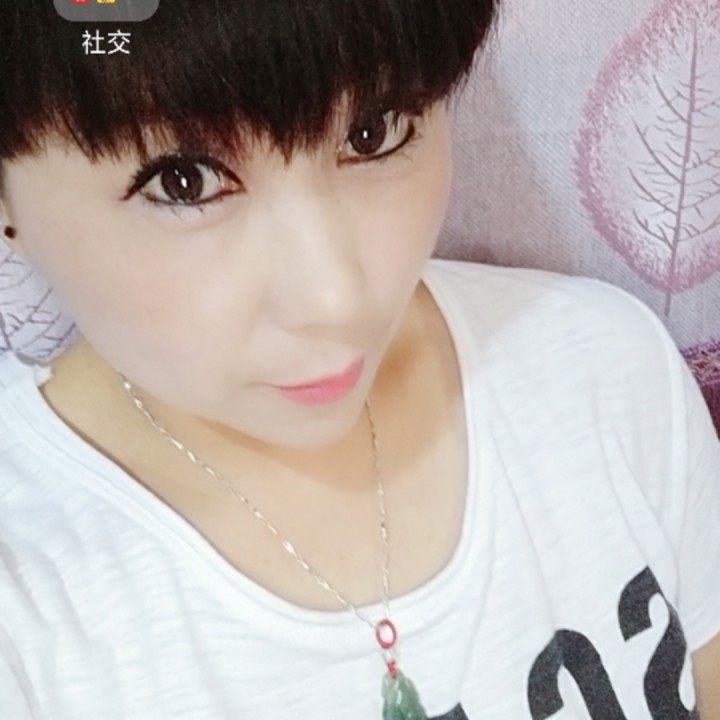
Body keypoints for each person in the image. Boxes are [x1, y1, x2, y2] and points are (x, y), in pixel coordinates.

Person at [0, 1, 718, 718]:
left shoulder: (606, 372)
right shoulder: (28, 606)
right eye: (183, 181)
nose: (336, 298)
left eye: (373, 133)